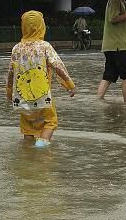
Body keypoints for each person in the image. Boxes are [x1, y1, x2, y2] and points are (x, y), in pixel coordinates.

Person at [6, 11, 76, 147]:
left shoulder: (16, 48)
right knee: (50, 122)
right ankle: (40, 149)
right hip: (43, 96)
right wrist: (69, 84)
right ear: (41, 27)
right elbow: (58, 65)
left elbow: (10, 73)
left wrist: (9, 92)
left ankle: (27, 155)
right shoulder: (44, 46)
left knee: (28, 126)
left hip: (22, 97)